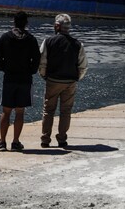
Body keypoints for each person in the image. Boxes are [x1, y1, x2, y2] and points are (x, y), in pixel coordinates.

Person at [38, 13, 88, 149]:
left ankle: (45, 139)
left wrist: (44, 76)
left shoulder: (48, 41)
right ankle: (62, 139)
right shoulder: (78, 44)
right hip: (70, 82)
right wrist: (77, 77)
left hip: (53, 80)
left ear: (57, 26)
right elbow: (83, 65)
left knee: (48, 110)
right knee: (66, 111)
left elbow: (42, 61)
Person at [0, 11, 41, 152]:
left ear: (13, 21)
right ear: (26, 23)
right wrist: (31, 71)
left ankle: (2, 142)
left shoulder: (5, 38)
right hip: (25, 79)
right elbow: (37, 59)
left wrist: (5, 69)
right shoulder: (31, 39)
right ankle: (15, 142)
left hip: (9, 78)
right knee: (20, 112)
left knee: (6, 111)